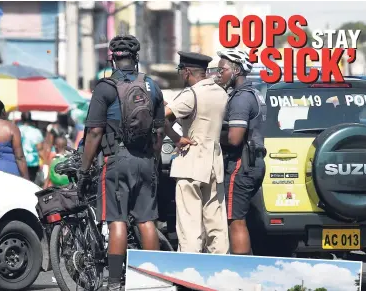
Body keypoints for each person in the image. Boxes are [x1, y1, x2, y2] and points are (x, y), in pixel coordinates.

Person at [77, 35, 165, 290]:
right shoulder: (152, 86)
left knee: (117, 220)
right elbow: (159, 131)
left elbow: (94, 132)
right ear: (136, 58)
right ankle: (153, 281)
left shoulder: (105, 88)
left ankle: (115, 283)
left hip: (117, 160)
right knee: (146, 220)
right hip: (146, 160)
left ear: (112, 58)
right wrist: (153, 160)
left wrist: (85, 169)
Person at [164, 51, 230, 254]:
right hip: (214, 163)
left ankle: (189, 272)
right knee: (216, 225)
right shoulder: (221, 93)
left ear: (186, 72)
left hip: (191, 162)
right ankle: (220, 271)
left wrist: (176, 138)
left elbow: (160, 118)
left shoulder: (191, 94)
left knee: (189, 226)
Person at [216, 49, 267, 255]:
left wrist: (208, 137)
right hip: (253, 163)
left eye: (223, 69)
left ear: (236, 70)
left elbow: (235, 139)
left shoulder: (240, 99)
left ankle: (241, 273)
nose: (219, 74)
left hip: (240, 165)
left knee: (235, 220)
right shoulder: (253, 93)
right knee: (240, 218)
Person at [0, 99, 29, 179]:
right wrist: (27, 179)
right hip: (9, 172)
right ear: (3, 111)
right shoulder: (12, 128)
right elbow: (19, 157)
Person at [18, 112, 44, 182]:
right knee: (31, 182)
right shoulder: (36, 132)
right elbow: (40, 148)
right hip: (32, 162)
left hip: (18, 161)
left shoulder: (16, 130)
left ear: (21, 119)